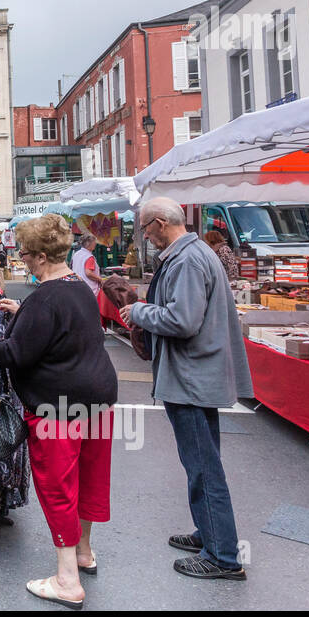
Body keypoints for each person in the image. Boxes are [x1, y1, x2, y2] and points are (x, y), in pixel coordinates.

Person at [0, 214, 118, 610]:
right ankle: (84, 553)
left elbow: (14, 355)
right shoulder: (76, 286)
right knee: (90, 478)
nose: (22, 259)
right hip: (97, 400)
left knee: (57, 488)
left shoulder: (44, 298)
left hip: (57, 407)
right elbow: (62, 327)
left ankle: (67, 581)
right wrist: (22, 314)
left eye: (25, 254)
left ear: (41, 256)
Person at [120, 198, 252, 581]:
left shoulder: (188, 260)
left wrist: (140, 311)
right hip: (195, 375)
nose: (145, 237)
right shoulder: (193, 254)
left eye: (145, 229)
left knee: (203, 468)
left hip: (192, 378)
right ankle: (209, 534)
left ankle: (223, 556)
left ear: (160, 223)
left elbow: (183, 320)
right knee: (201, 463)